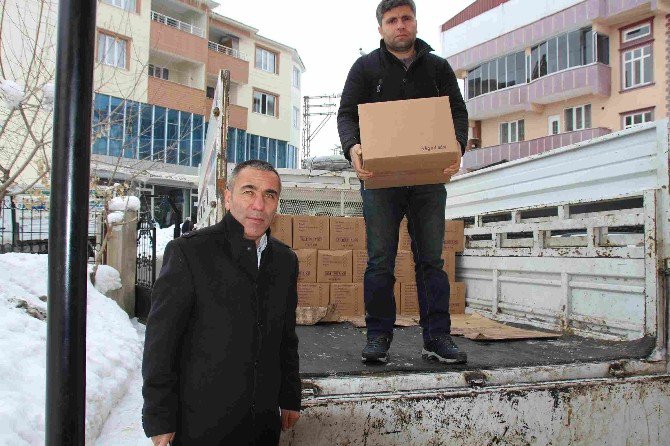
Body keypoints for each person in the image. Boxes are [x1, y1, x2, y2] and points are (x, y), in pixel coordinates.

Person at [337, 0, 469, 364]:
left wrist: (457, 145)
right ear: (381, 28)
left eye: (406, 18)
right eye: (392, 20)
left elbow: (457, 110)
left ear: (415, 22)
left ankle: (437, 337)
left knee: (431, 260)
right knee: (380, 260)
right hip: (380, 179)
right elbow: (347, 114)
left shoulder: (438, 68)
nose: (400, 25)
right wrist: (354, 147)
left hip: (428, 179)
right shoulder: (365, 68)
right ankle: (378, 336)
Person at [142, 160, 301, 445]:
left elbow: (286, 338)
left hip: (262, 425)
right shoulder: (189, 253)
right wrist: (159, 415)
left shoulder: (285, 261)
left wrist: (290, 396)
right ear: (228, 198)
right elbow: (161, 342)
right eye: (248, 192)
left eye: (270, 195)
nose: (259, 205)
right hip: (202, 424)